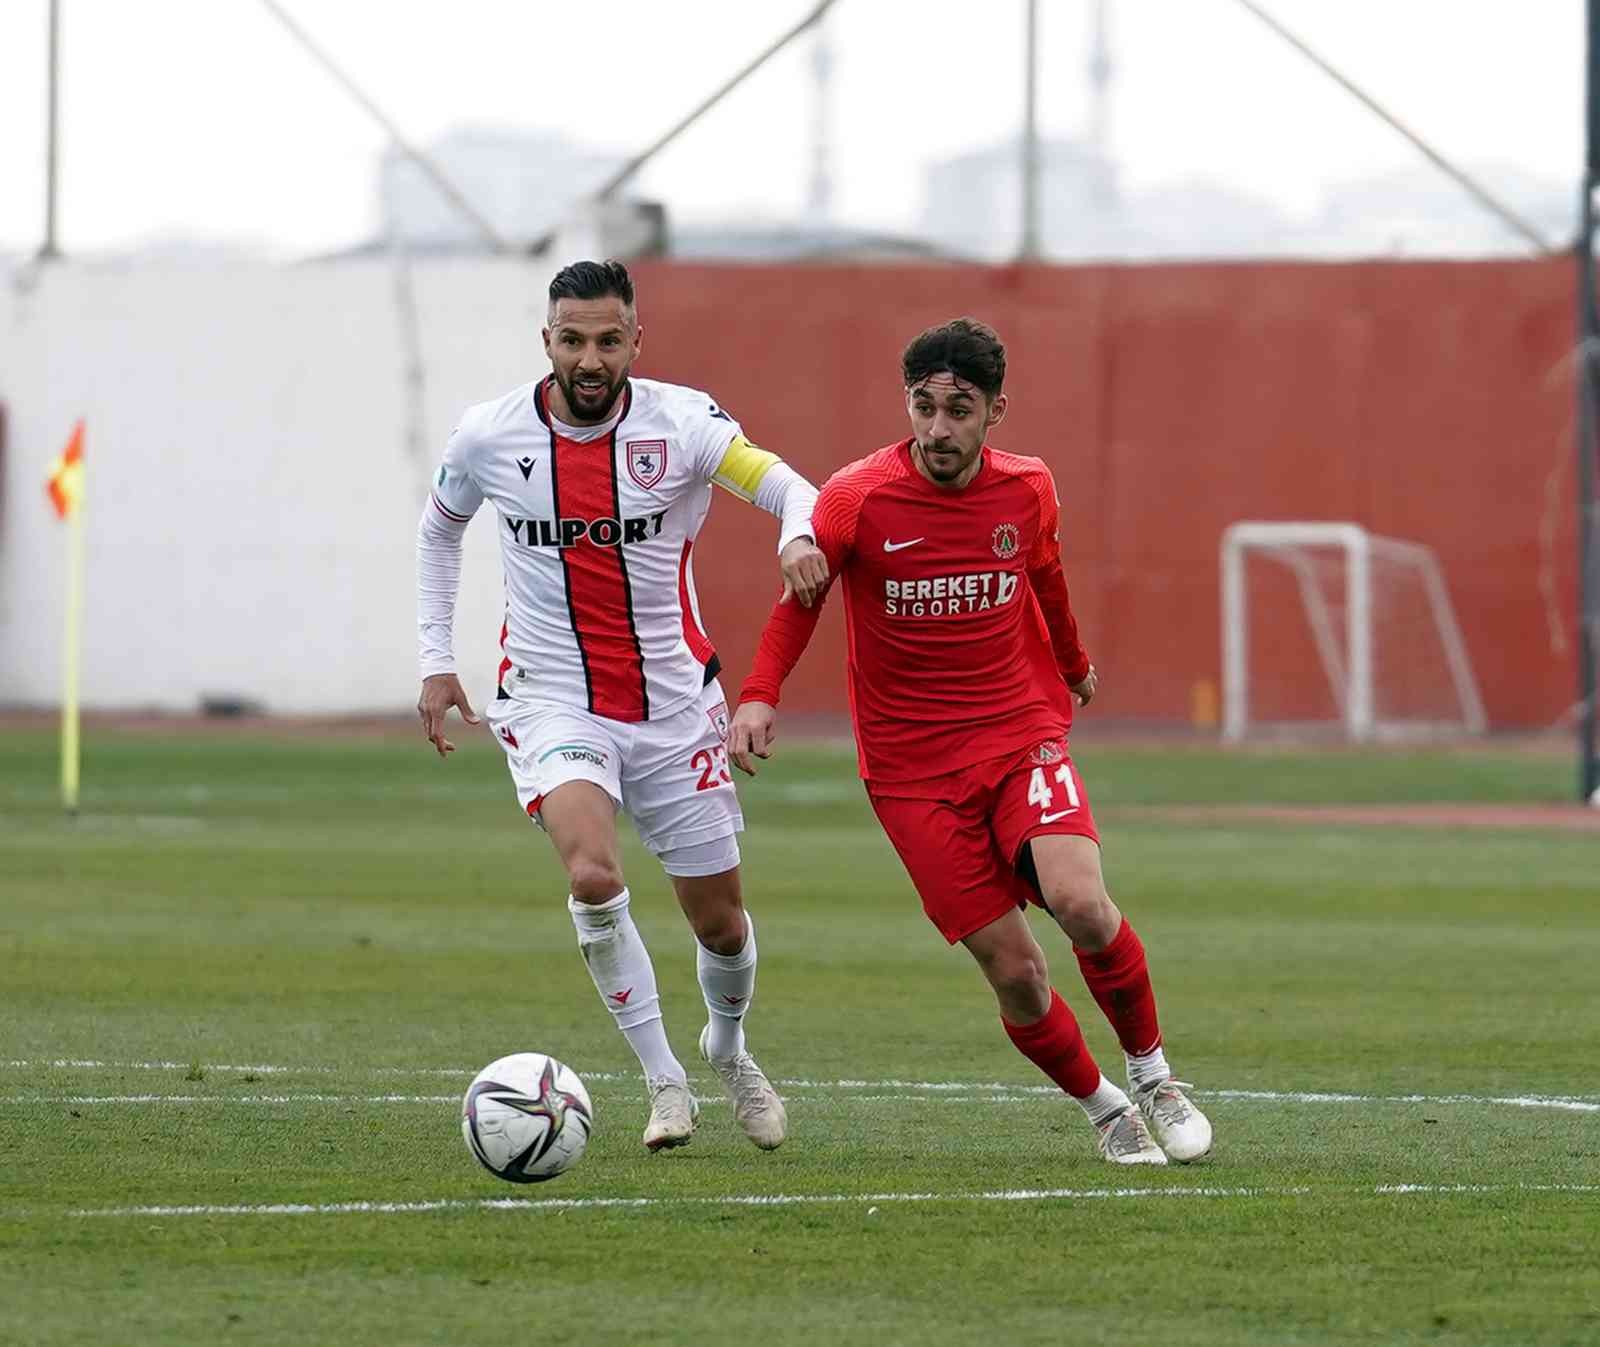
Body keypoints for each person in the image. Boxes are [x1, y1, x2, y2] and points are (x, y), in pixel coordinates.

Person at [729, 318, 1212, 1166]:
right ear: (907, 406)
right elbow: (800, 599)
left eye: (960, 409)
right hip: (911, 771)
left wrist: (1073, 662)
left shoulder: (1027, 489)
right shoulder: (856, 497)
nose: (939, 428)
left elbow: (1047, 574)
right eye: (925, 407)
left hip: (1019, 730)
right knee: (1018, 972)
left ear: (995, 412)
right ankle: (1104, 1109)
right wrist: (761, 694)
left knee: (1083, 903)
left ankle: (1155, 1076)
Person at [416, 260, 827, 1154]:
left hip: (675, 705)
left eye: (609, 340)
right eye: (573, 340)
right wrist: (436, 659)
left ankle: (728, 1044)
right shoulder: (488, 435)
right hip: (551, 697)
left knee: (719, 919)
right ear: (548, 342)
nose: (590, 358)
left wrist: (797, 528)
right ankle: (663, 1080)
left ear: (636, 341)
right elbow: (440, 526)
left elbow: (791, 484)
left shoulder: (683, 424)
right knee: (592, 875)